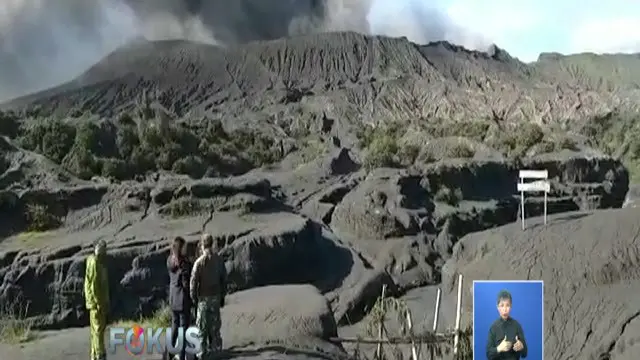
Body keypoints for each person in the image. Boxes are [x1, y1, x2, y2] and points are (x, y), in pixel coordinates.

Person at [190, 233, 227, 360]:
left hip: (203, 299)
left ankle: (202, 354)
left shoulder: (199, 263)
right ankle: (216, 351)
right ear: (212, 244)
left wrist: (193, 298)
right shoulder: (219, 260)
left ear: (202, 245)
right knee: (215, 326)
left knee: (202, 328)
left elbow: (193, 282)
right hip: (216, 297)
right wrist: (222, 296)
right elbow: (224, 279)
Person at [167, 236, 193, 360]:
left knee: (174, 328)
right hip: (182, 301)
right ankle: (182, 356)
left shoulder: (169, 261)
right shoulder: (185, 264)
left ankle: (168, 354)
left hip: (173, 299)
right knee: (183, 330)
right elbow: (186, 284)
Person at [84, 239, 110, 360]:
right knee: (99, 329)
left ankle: (95, 354)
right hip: (97, 303)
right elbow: (94, 285)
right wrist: (99, 303)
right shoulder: (96, 263)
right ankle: (100, 355)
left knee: (95, 330)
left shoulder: (91, 260)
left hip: (92, 303)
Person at [485, 290, 527, 360]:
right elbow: (488, 354)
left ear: (511, 306)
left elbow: (525, 354)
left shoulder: (517, 325)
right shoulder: (493, 327)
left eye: (507, 305)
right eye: (502, 305)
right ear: (497, 307)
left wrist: (521, 346)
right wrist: (499, 348)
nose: (505, 309)